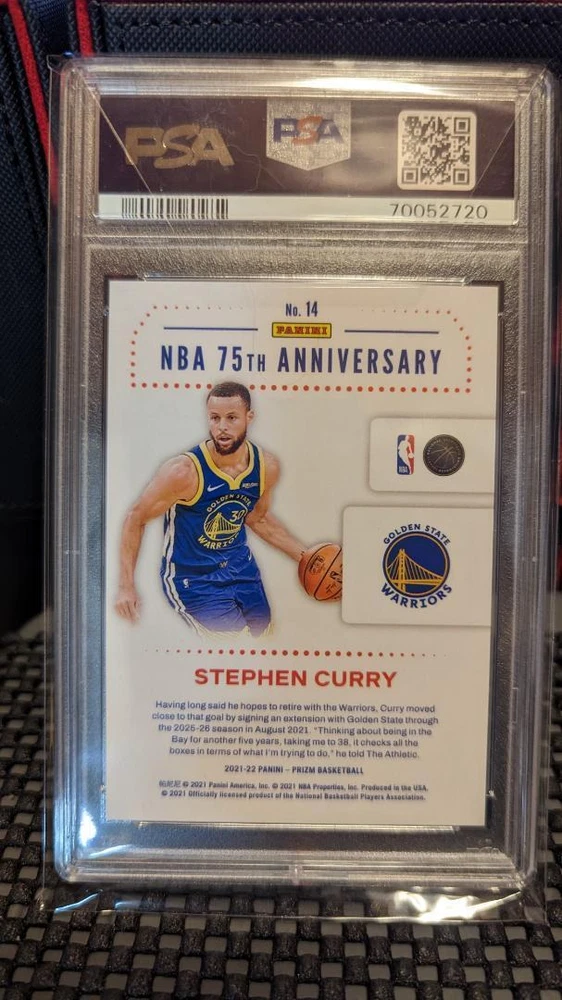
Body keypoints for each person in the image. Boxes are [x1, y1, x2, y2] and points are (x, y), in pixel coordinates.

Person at [115, 381, 306, 636]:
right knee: (232, 647)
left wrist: (306, 557)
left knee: (266, 639)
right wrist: (126, 585)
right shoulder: (183, 472)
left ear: (249, 418)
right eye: (215, 418)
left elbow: (257, 519)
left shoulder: (266, 467)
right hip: (195, 580)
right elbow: (135, 517)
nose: (222, 427)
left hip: (242, 570)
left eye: (231, 418)